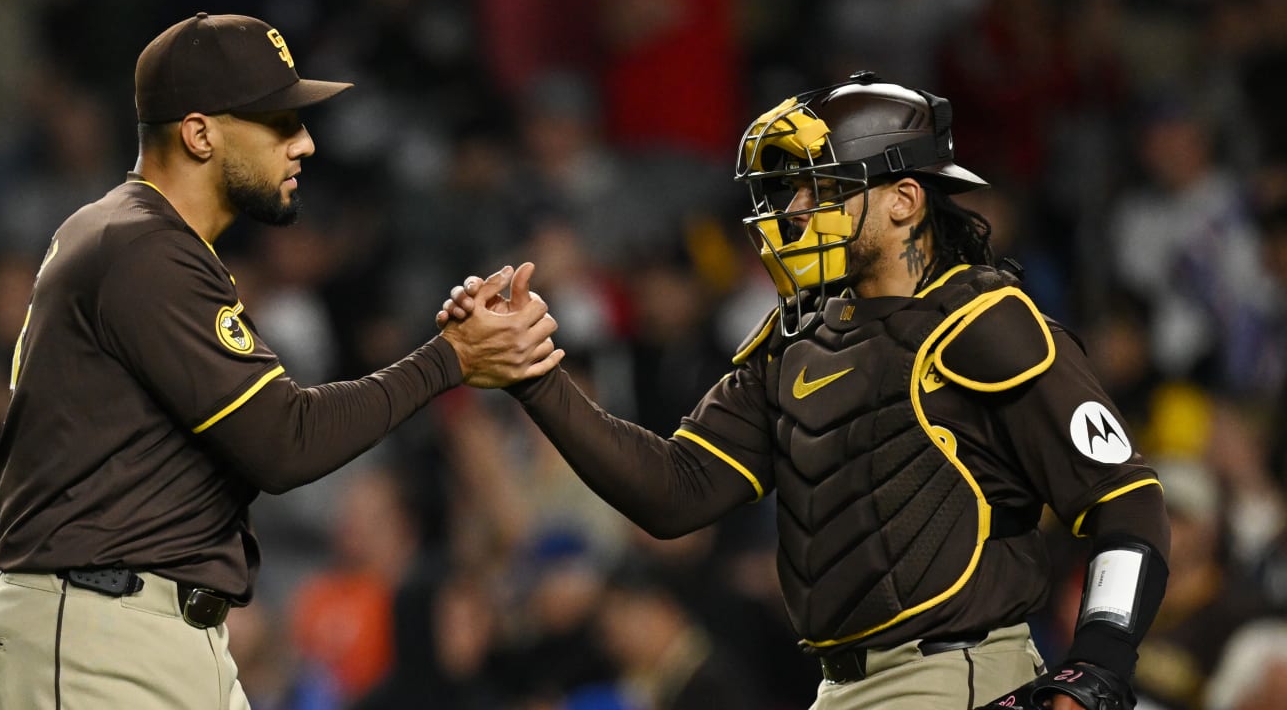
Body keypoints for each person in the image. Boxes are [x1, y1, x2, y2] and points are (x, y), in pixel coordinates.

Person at [442, 72, 1170, 710]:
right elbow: (675, 492)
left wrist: (1096, 666)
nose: (792, 209)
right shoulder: (796, 338)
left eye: (821, 186)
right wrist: (536, 380)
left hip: (958, 677)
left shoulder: (985, 321)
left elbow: (1124, 501)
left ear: (904, 200)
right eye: (791, 189)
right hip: (835, 688)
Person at [0, 12, 562, 710]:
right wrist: (448, 360)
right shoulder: (139, 248)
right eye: (279, 122)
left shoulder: (139, 243)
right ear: (199, 132)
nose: (304, 142)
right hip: (97, 632)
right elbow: (285, 442)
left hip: (153, 634)